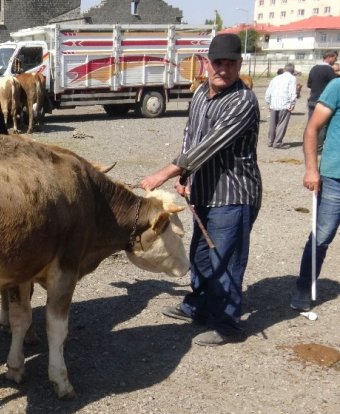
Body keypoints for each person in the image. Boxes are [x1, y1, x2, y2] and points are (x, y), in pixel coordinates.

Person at [139, 33, 261, 346]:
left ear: (239, 64)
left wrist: (163, 174)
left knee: (225, 260)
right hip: (205, 192)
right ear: (206, 63)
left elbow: (206, 147)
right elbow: (189, 137)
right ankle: (200, 306)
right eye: (218, 62)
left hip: (234, 195)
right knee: (201, 256)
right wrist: (185, 177)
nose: (224, 69)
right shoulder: (200, 96)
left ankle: (228, 324)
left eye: (231, 63)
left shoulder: (243, 101)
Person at [291, 77, 340, 311]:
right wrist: (311, 169)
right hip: (334, 178)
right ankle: (303, 288)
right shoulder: (337, 87)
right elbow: (312, 129)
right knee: (321, 237)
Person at [307, 51, 338, 152]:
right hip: (323, 102)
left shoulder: (314, 68)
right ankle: (318, 148)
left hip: (312, 99)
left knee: (311, 124)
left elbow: (309, 84)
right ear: (329, 57)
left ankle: (308, 146)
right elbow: (335, 85)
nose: (336, 60)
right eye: (335, 58)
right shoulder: (329, 70)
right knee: (322, 125)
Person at [265, 63, 297, 149]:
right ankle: (277, 142)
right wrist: (292, 104)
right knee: (281, 124)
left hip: (273, 104)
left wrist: (268, 103)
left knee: (272, 124)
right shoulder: (292, 78)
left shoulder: (275, 78)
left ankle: (270, 141)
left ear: (284, 69)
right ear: (293, 70)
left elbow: (268, 92)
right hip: (285, 104)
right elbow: (292, 92)